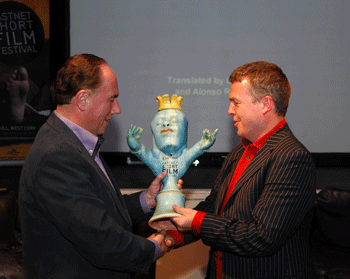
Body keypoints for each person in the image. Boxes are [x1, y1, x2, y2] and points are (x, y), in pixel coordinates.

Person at [19, 54, 179, 279]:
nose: (117, 109)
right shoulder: (57, 154)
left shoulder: (73, 142)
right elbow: (99, 238)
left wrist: (147, 200)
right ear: (83, 99)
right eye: (111, 100)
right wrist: (152, 248)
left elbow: (97, 208)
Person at [170, 61, 316, 278]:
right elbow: (214, 208)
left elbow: (262, 237)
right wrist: (175, 232)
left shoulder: (291, 157)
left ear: (266, 104)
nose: (230, 111)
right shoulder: (239, 152)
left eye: (236, 102)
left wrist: (196, 221)